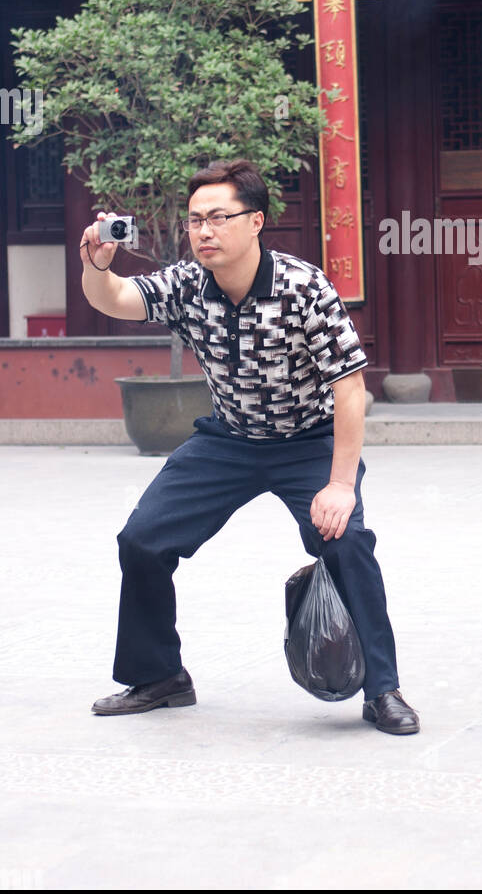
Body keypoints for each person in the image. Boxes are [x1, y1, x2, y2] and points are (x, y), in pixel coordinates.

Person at [80, 158, 419, 734]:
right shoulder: (187, 284)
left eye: (218, 218)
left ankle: (382, 689)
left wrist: (339, 484)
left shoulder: (303, 287)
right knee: (141, 540)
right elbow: (113, 299)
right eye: (194, 221)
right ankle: (159, 675)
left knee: (346, 541)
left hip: (307, 442)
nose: (204, 231)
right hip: (229, 440)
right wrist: (95, 263)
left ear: (256, 221)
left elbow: (350, 386)